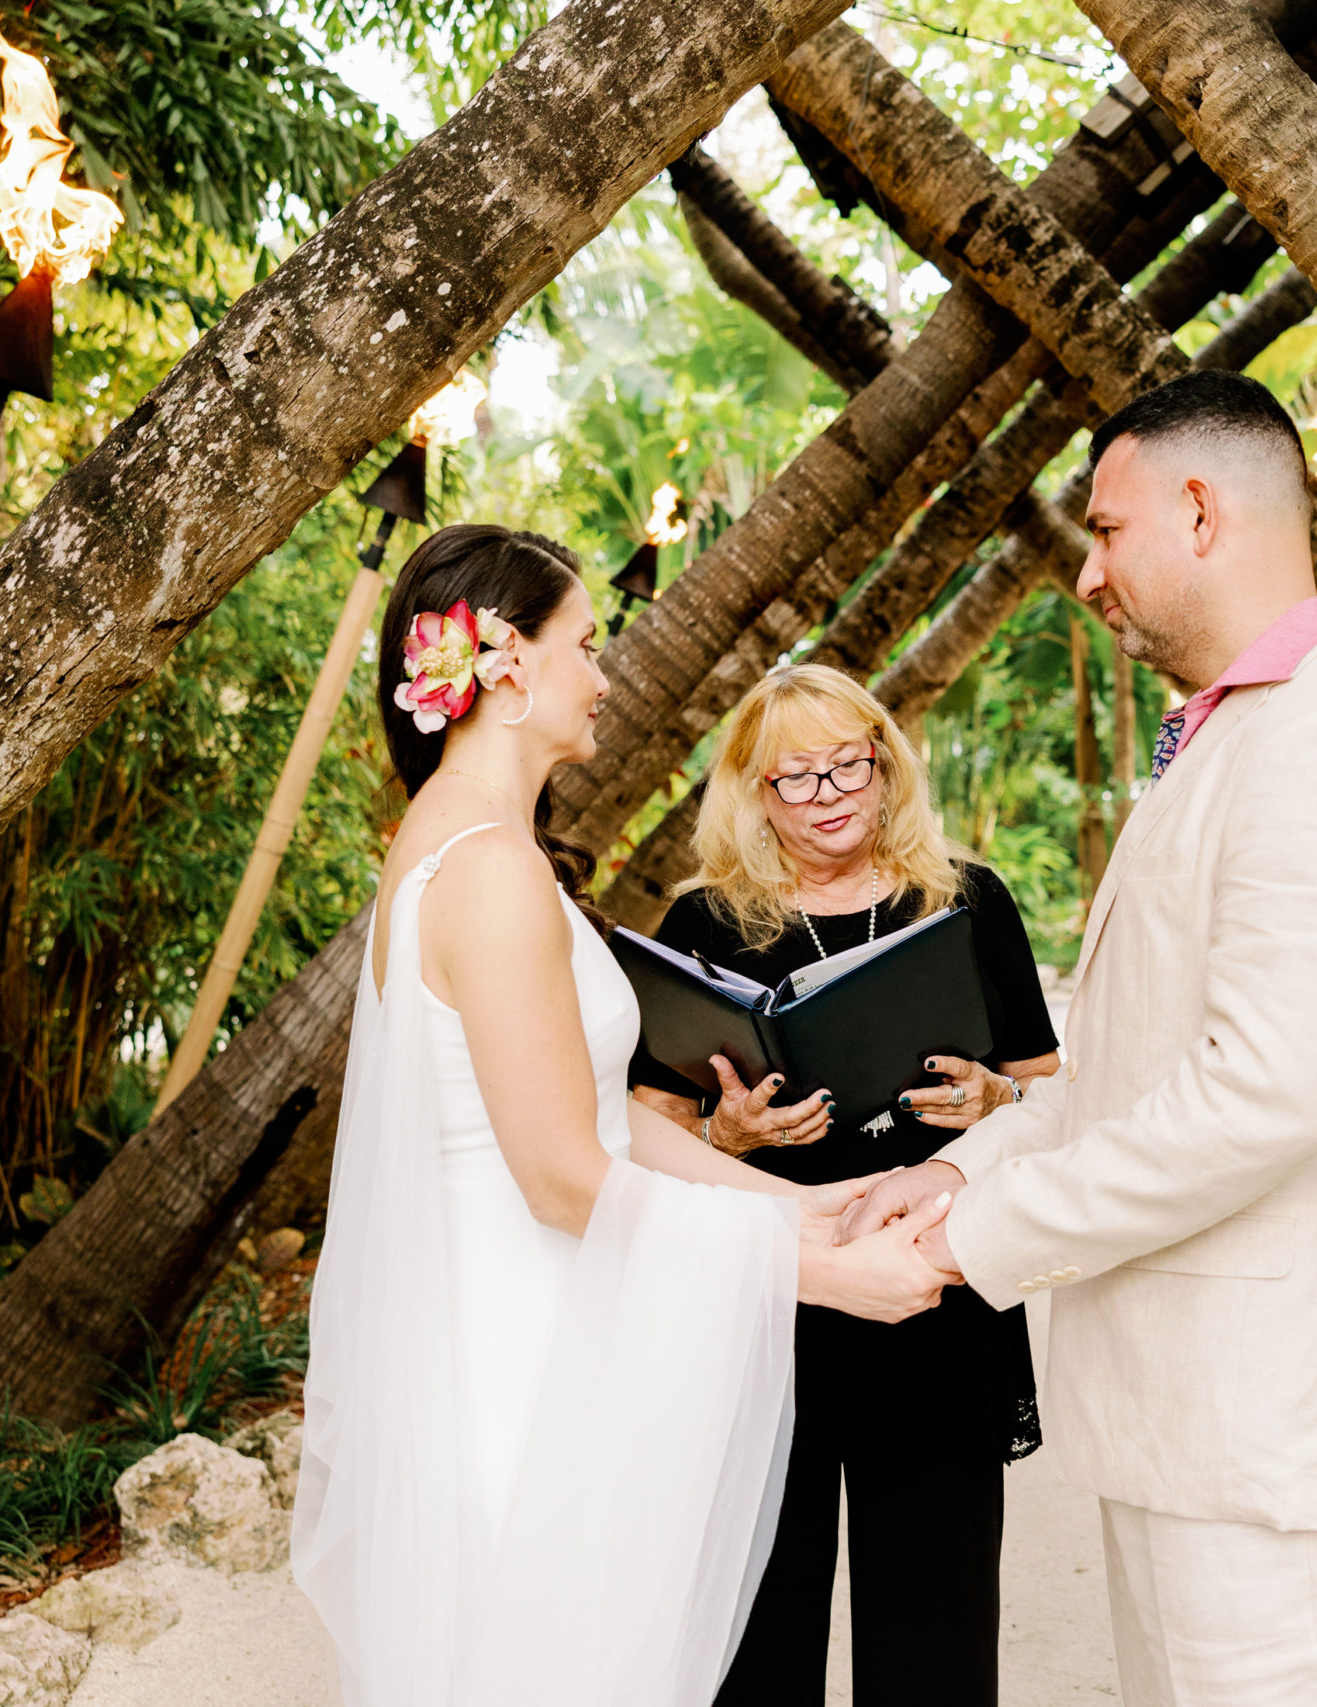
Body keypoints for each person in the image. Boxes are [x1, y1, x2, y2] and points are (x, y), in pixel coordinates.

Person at [844, 371, 1317, 1707]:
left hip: (1270, 1438)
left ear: (1200, 509)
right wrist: (965, 1168)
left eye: (1106, 529)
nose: (1086, 573)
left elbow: (1261, 1096)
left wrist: (967, 1245)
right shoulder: (1244, 735)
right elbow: (1138, 1071)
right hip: (1199, 1427)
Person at [291, 525, 956, 1707]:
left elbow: (598, 1117)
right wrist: (819, 1276)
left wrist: (812, 1204)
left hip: (547, 1313)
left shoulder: (469, 846)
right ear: (504, 666)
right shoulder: (489, 870)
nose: (605, 675)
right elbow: (563, 1179)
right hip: (525, 1356)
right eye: (586, 644)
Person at [629, 663, 1059, 1707]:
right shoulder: (704, 924)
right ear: (752, 793)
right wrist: (726, 1129)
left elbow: (1052, 1094)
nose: (830, 798)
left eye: (847, 767)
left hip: (931, 1291)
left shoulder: (964, 900)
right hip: (769, 1303)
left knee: (936, 1635)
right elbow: (644, 1124)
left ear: (884, 762)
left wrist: (992, 1099)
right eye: (797, 779)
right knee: (758, 1640)